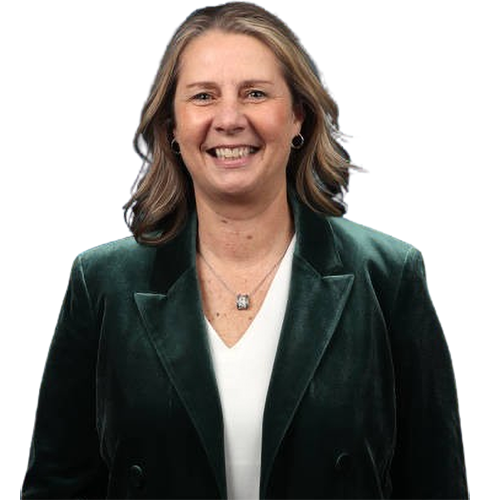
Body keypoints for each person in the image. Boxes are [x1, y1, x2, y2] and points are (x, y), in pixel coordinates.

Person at [21, 3, 468, 499]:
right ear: (172, 125)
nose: (229, 119)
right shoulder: (102, 283)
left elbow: (436, 485)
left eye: (255, 93)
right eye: (203, 96)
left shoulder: (388, 278)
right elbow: (58, 485)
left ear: (298, 116)